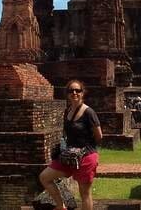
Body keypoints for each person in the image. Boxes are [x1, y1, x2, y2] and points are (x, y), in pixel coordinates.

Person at [39, 79, 103, 210]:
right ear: (67, 94)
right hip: (69, 156)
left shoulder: (88, 112)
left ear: (82, 93)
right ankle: (60, 206)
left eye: (77, 90)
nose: (74, 93)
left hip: (86, 156)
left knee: (84, 193)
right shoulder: (67, 111)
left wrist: (85, 148)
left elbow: (99, 136)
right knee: (44, 177)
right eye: (71, 91)